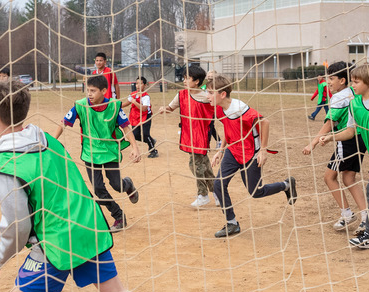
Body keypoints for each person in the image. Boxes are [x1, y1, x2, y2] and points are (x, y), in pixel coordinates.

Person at [0, 80, 213, 292]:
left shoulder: (2, 166)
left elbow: (18, 224)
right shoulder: (46, 139)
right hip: (90, 225)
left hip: (56, 242)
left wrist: (0, 256)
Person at [207, 74, 297, 238]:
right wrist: (221, 150)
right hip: (233, 152)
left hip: (250, 153)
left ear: (222, 94)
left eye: (211, 92)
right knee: (218, 184)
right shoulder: (219, 110)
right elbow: (229, 130)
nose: (208, 96)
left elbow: (265, 122)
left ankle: (286, 185)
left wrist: (263, 150)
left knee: (256, 192)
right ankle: (232, 223)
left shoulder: (241, 109)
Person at [319, 64, 369, 250]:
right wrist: (331, 137)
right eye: (352, 81)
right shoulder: (354, 103)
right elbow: (351, 131)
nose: (353, 85)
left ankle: (368, 235)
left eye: (356, 82)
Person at [53, 75, 141, 231]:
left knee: (117, 185)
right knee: (98, 189)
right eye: (88, 90)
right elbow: (63, 123)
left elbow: (126, 127)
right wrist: (52, 142)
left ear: (104, 91)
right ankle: (119, 216)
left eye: (93, 91)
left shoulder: (114, 106)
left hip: (109, 152)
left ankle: (128, 185)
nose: (89, 94)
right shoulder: (80, 106)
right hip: (90, 153)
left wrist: (135, 148)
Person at [302, 62, 367, 231]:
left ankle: (347, 214)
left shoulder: (339, 97)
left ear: (343, 80)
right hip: (361, 138)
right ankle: (366, 217)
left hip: (347, 141)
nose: (328, 82)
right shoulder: (354, 90)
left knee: (329, 177)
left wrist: (312, 143)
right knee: (348, 178)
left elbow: (329, 124)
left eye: (331, 78)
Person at [159, 64, 217, 208]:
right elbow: (171, 108)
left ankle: (203, 195)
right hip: (188, 135)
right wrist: (164, 109)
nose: (184, 81)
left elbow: (218, 108)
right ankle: (218, 192)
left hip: (201, 135)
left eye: (187, 78)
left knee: (195, 165)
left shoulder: (206, 97)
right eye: (183, 78)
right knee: (205, 165)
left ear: (197, 81)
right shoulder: (181, 95)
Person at [121, 76, 158, 158]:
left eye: (140, 83)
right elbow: (127, 103)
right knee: (135, 135)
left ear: (144, 85)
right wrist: (118, 105)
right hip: (135, 117)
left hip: (145, 116)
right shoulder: (132, 94)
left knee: (145, 133)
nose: (138, 85)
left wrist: (134, 102)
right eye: (136, 83)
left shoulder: (146, 96)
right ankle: (151, 141)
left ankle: (153, 150)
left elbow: (144, 109)